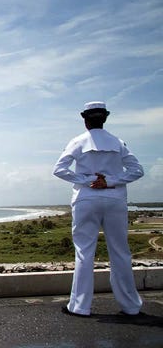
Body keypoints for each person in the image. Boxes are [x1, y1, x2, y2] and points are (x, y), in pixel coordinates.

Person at [53, 101, 144, 317]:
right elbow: (136, 170)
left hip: (86, 200)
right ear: (105, 118)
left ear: (85, 120)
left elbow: (59, 169)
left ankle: (80, 306)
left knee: (84, 252)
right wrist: (110, 181)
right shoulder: (118, 142)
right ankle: (130, 306)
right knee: (120, 252)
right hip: (115, 200)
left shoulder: (78, 141)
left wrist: (88, 180)